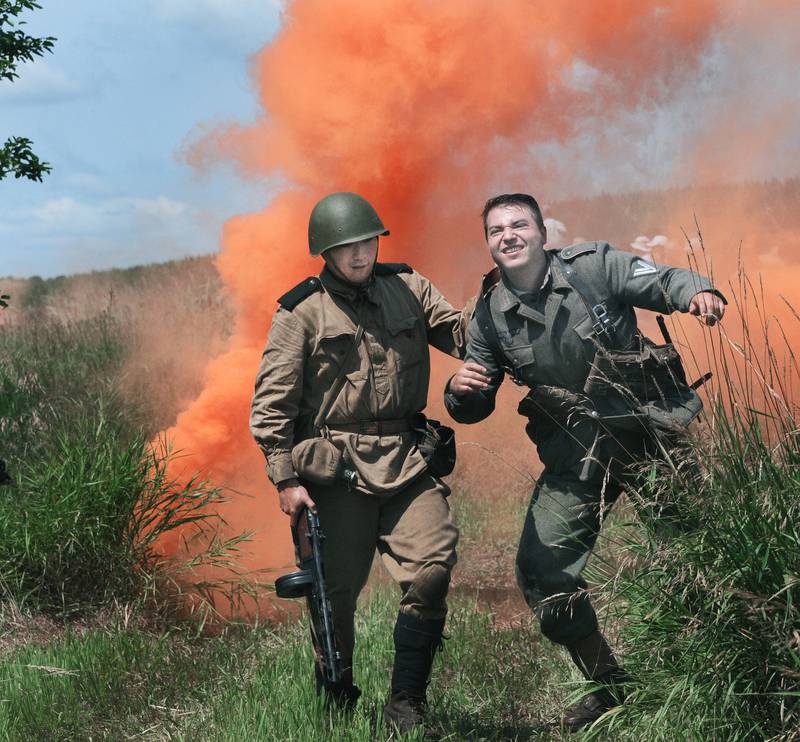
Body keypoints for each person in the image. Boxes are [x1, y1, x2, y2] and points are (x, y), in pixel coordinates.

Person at [444, 193, 726, 731]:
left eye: (519, 225)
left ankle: (719, 670)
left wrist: (700, 293)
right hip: (576, 459)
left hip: (650, 439)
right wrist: (459, 390)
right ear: (488, 243)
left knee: (699, 553)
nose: (508, 235)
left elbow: (662, 280)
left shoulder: (593, 268)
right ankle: (609, 684)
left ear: (542, 232)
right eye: (496, 230)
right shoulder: (487, 316)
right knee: (543, 572)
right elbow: (473, 404)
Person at [250, 192, 471, 733]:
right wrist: (285, 479)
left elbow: (466, 336)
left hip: (407, 462)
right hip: (337, 470)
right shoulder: (300, 311)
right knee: (332, 597)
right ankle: (338, 698)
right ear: (325, 252)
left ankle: (405, 705)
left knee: (433, 570)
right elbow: (272, 403)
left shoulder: (409, 288)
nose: (359, 254)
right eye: (346, 246)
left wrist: (499, 308)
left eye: (367, 242)